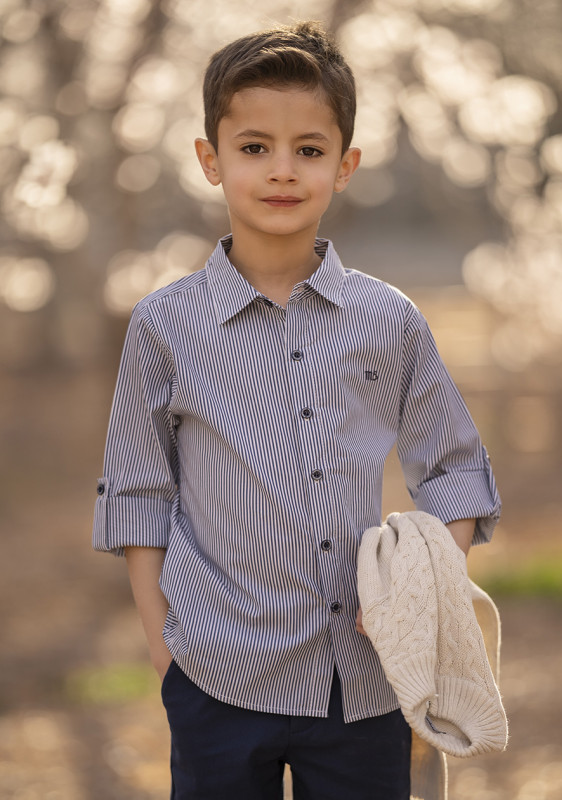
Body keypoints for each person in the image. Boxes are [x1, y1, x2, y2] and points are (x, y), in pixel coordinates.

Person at [93, 20, 501, 800]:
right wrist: (164, 652)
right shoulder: (164, 327)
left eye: (308, 150)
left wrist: (419, 596)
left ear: (344, 166)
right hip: (215, 675)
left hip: (366, 683)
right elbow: (138, 495)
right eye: (253, 148)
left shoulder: (389, 320)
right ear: (209, 160)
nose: (282, 171)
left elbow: (453, 470)